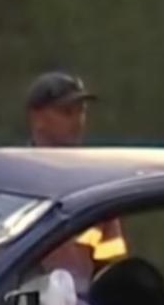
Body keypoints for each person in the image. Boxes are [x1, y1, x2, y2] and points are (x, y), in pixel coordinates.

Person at [25, 71, 127, 286]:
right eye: (66, 112)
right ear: (37, 119)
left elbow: (113, 266)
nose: (77, 121)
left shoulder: (96, 186)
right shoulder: (13, 180)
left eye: (82, 111)